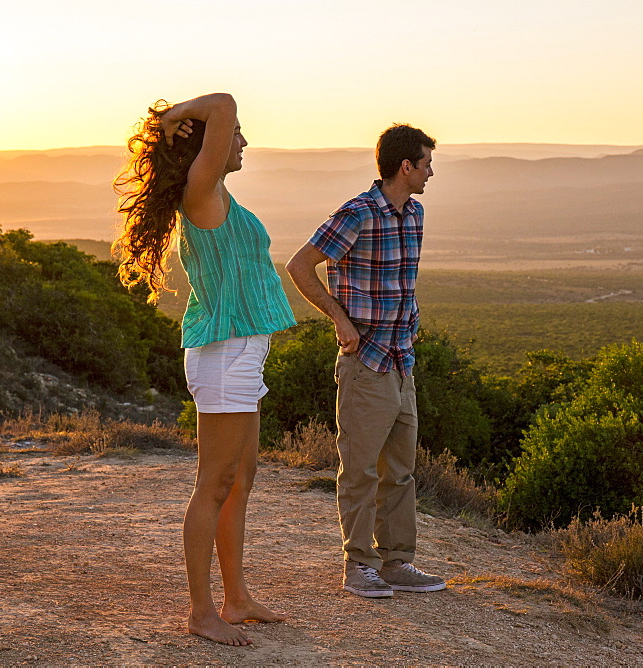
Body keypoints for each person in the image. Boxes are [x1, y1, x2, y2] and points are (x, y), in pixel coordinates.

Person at [114, 93, 296, 645]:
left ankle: (235, 599)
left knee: (240, 481)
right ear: (204, 150)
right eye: (234, 134)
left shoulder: (220, 198)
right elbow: (223, 102)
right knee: (213, 485)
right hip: (223, 352)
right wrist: (172, 119)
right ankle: (200, 611)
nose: (241, 140)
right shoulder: (203, 191)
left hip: (242, 350)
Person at [286, 124, 446, 598]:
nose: (430, 172)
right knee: (360, 470)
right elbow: (298, 265)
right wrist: (339, 319)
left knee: (399, 471)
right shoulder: (357, 213)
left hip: (401, 362)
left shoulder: (414, 214)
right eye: (426, 163)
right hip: (365, 362)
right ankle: (359, 565)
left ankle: (397, 563)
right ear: (405, 166)